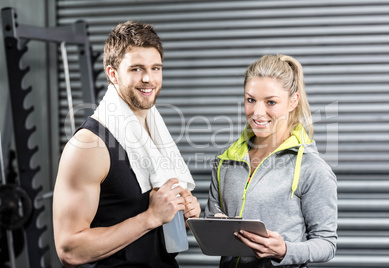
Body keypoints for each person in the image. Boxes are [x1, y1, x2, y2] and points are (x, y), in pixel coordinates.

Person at [53, 21, 201, 267]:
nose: (148, 79)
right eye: (136, 69)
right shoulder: (88, 145)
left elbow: (150, 221)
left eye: (155, 68)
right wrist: (150, 218)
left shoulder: (153, 131)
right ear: (113, 74)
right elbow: (69, 249)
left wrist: (181, 214)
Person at [205, 54, 337, 267]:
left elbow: (327, 244)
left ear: (293, 101)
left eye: (271, 102)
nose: (257, 112)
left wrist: (284, 250)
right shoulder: (225, 162)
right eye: (251, 100)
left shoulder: (312, 168)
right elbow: (213, 215)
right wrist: (215, 223)